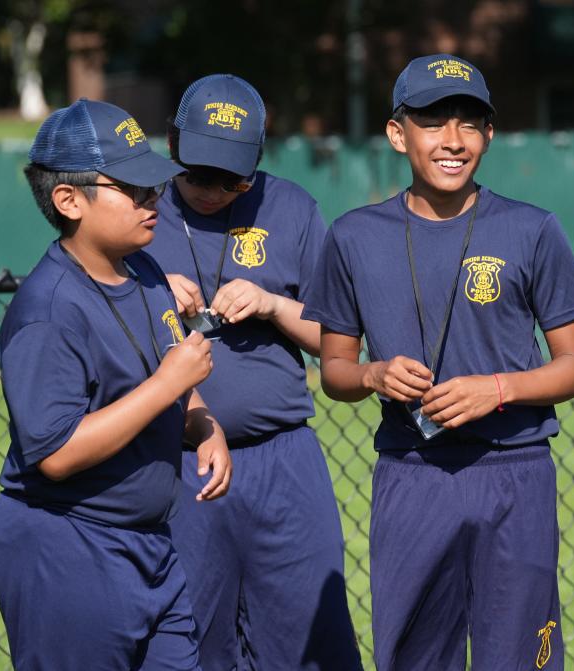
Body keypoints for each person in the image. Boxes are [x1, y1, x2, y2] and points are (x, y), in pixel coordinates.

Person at [302, 53, 574, 671]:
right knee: (413, 655)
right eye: (434, 121)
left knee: (518, 656)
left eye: (470, 122)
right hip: (412, 473)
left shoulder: (532, 228)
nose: (453, 140)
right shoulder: (353, 236)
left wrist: (498, 389)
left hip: (513, 470)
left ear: (489, 135)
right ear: (396, 132)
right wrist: (374, 375)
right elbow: (334, 370)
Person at [0, 98, 231, 670]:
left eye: (154, 186)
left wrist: (201, 420)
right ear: (69, 199)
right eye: (134, 188)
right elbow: (54, 452)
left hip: (150, 546)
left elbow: (166, 372)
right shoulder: (47, 311)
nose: (154, 200)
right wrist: (167, 385)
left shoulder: (144, 271)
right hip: (69, 548)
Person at [145, 74, 361, 670]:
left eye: (232, 178)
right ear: (171, 145)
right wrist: (151, 296)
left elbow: (336, 343)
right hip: (175, 459)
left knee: (308, 639)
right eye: (197, 173)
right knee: (194, 636)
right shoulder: (136, 210)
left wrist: (272, 304)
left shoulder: (290, 207)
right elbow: (93, 309)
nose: (213, 190)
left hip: (281, 458)